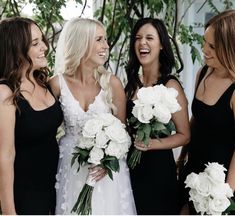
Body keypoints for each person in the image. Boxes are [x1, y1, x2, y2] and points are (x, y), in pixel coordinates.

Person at [49, 17, 136, 215]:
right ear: (81, 42)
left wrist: (108, 162)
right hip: (70, 168)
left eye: (105, 39)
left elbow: (123, 135)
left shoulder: (112, 84)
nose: (106, 45)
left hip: (104, 172)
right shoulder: (56, 84)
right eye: (99, 39)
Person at [125, 17, 190, 215]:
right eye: (137, 38)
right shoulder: (131, 83)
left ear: (161, 44)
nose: (142, 42)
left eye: (149, 38)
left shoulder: (171, 86)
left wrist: (154, 144)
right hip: (131, 168)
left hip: (158, 172)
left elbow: (184, 135)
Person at [0, 17, 63, 215]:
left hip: (55, 188)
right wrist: (9, 212)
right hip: (25, 196)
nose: (44, 46)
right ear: (15, 49)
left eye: (42, 40)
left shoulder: (44, 81)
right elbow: (5, 157)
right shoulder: (5, 92)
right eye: (35, 44)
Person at [178, 9, 235, 214]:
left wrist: (226, 193)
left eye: (212, 46)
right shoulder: (202, 73)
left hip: (218, 184)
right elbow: (198, 119)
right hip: (192, 171)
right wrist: (181, 158)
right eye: (205, 42)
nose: (204, 49)